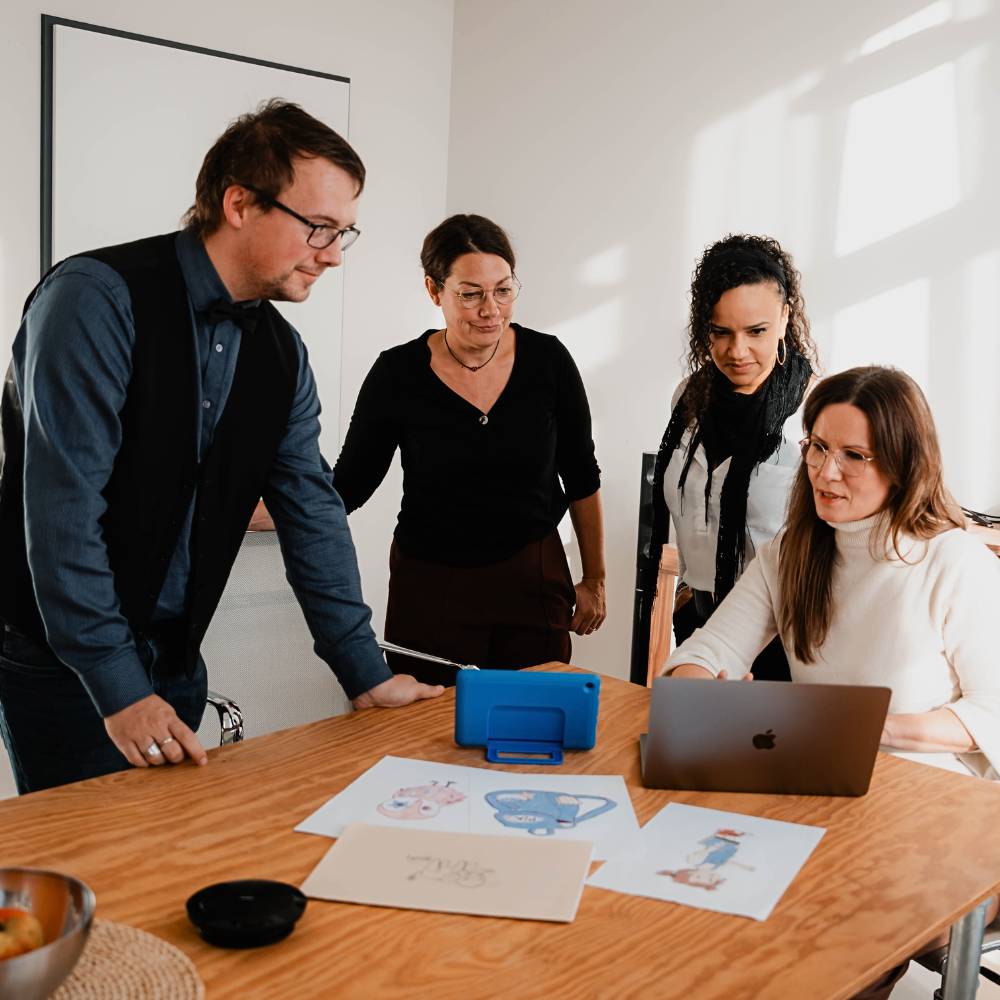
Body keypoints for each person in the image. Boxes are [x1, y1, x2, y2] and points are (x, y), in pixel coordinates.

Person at [0, 100, 443, 795]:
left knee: (165, 866)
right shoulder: (94, 300)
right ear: (240, 203)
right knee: (95, 878)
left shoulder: (283, 354)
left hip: (176, 660)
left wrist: (366, 673)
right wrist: (119, 688)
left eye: (343, 232)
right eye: (318, 227)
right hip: (65, 666)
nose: (332, 253)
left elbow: (312, 514)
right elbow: (61, 518)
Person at [662, 366, 1000, 997]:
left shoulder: (955, 562)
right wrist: (696, 682)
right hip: (827, 793)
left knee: (816, 939)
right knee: (699, 895)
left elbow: (993, 715)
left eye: (854, 455)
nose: (825, 471)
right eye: (817, 446)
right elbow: (710, 647)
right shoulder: (795, 551)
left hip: (940, 820)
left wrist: (853, 726)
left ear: (901, 465)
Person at [332, 214, 605, 686]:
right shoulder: (397, 374)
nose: (491, 309)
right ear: (433, 290)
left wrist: (595, 580)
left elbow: (582, 476)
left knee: (531, 731)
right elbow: (350, 484)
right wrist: (265, 509)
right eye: (471, 294)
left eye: (503, 289)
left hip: (532, 578)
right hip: (430, 587)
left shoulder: (549, 361)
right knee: (425, 738)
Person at [642, 234, 817, 682]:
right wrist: (685, 595)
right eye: (721, 332)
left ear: (784, 318)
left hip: (781, 636)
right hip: (700, 621)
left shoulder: (816, 411)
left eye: (756, 331)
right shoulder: (690, 399)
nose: (737, 351)